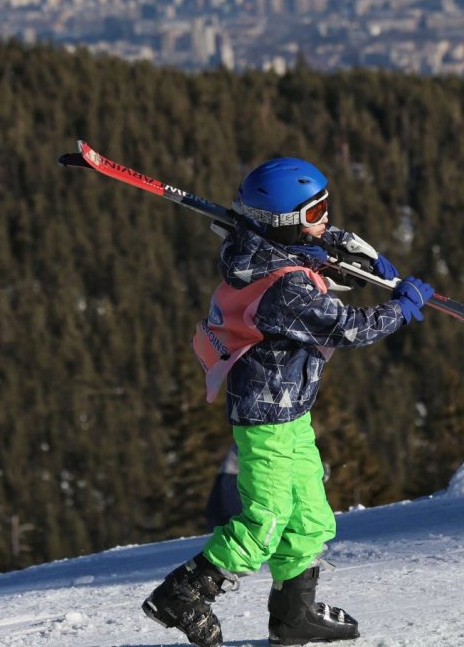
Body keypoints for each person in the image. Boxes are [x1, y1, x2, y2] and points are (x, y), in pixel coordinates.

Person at [142, 157, 435, 647]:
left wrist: (368, 260)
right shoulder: (284, 288)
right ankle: (183, 593)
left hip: (291, 409)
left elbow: (322, 239)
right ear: (284, 223)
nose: (325, 217)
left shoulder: (263, 242)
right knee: (266, 519)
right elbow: (348, 328)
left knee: (311, 517)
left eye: (325, 204)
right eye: (315, 210)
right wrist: (400, 308)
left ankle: (293, 616)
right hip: (265, 416)